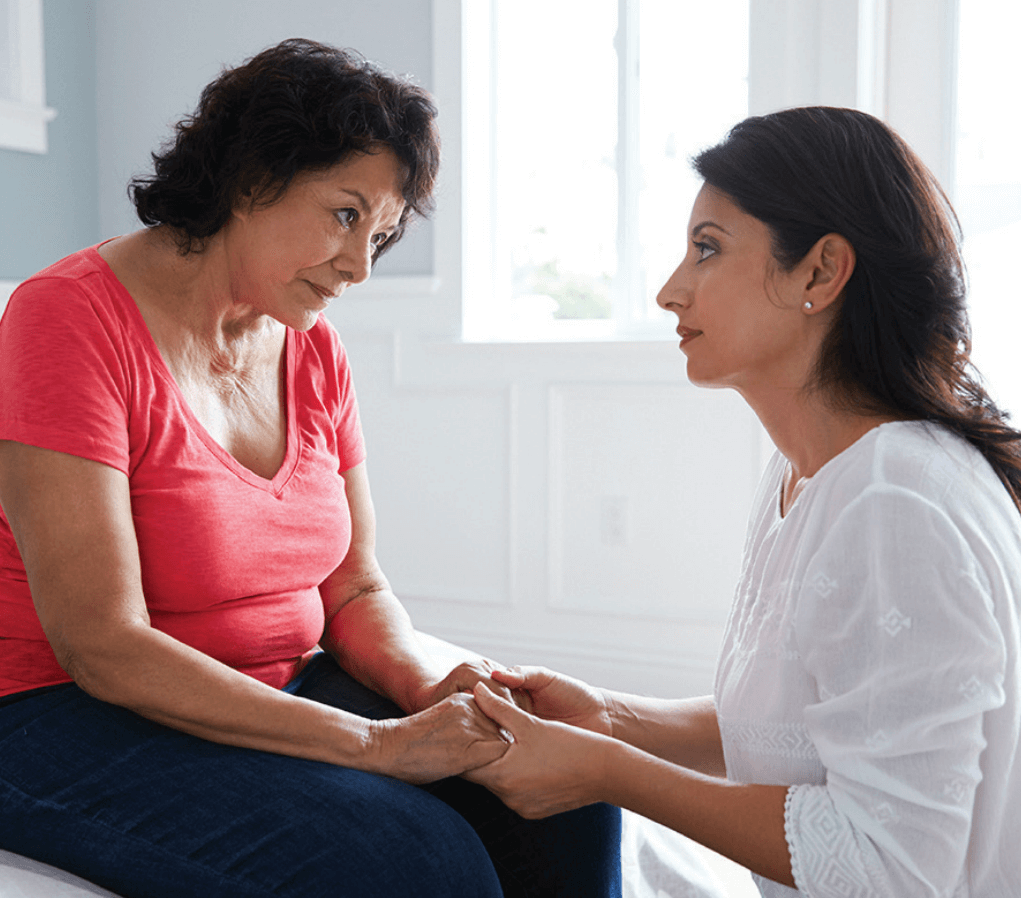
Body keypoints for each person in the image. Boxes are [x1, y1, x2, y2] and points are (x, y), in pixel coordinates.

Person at [0, 39, 620, 898]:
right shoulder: (65, 319)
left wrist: (431, 685)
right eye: (344, 214)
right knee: (414, 859)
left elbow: (354, 588)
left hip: (277, 679)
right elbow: (104, 647)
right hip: (66, 710)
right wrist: (372, 745)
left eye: (385, 233)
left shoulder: (310, 346)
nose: (361, 265)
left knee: (563, 791)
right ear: (251, 177)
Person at [466, 106, 1021, 897]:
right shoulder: (812, 472)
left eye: (707, 250)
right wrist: (614, 720)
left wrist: (609, 772)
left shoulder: (896, 502)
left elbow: (890, 868)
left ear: (820, 273)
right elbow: (814, 731)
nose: (668, 290)